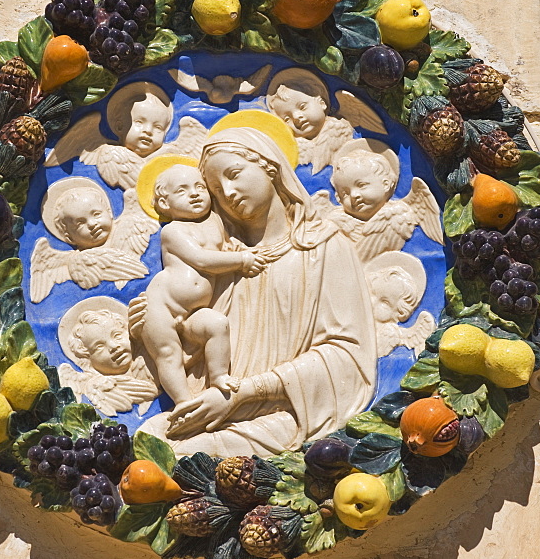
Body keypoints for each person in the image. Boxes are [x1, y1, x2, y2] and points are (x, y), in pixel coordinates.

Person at [136, 123, 377, 456]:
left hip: (287, 413)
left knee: (185, 454)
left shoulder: (323, 248)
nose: (228, 193)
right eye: (216, 191)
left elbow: (348, 358)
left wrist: (244, 393)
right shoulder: (228, 261)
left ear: (269, 165)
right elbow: (194, 351)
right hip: (219, 410)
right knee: (150, 438)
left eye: (234, 174)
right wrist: (153, 322)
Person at [142, 163, 267, 405]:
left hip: (194, 312)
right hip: (162, 307)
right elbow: (202, 259)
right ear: (165, 204)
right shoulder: (173, 231)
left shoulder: (216, 222)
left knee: (217, 324)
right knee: (168, 355)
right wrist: (240, 260)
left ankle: (219, 376)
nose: (194, 193)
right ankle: (183, 402)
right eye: (182, 190)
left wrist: (237, 248)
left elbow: (226, 245)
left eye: (200, 186)